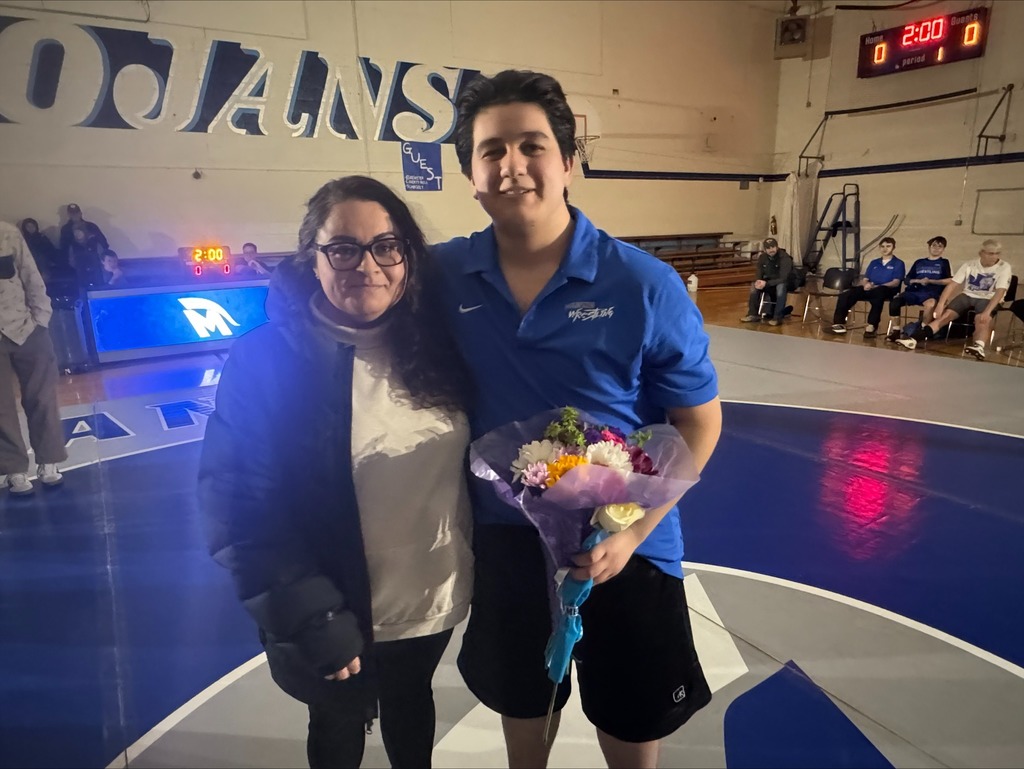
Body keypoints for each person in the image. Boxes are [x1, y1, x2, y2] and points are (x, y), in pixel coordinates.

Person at [434, 69, 722, 769]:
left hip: (629, 546)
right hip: (507, 544)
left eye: (532, 145)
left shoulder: (642, 283)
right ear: (470, 175)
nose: (512, 166)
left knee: (629, 721)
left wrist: (629, 534)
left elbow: (698, 425)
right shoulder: (441, 278)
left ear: (568, 160)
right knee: (525, 712)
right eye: (490, 150)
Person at [198, 176, 474, 769]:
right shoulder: (266, 360)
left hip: (429, 597)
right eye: (343, 248)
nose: (367, 264)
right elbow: (240, 508)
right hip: (334, 607)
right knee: (336, 723)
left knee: (410, 704)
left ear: (408, 256)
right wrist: (311, 615)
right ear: (313, 259)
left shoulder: (437, 345)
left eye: (386, 246)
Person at [0, 221, 67, 495]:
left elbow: (30, 275)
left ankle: (49, 462)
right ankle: (14, 470)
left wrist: (41, 319)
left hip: (27, 328)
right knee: (1, 408)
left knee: (42, 397)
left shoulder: (7, 233)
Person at [897, 239, 1012, 360]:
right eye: (990, 253)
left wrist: (987, 312)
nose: (994, 257)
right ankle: (914, 339)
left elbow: (1000, 291)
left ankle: (979, 346)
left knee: (982, 319)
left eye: (997, 253)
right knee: (945, 316)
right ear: (981, 253)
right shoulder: (969, 264)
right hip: (968, 295)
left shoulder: (1004, 267)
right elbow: (952, 284)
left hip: (989, 298)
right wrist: (941, 304)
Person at [827, 236, 905, 338]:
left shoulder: (898, 263)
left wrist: (877, 286)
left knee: (878, 294)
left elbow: (895, 282)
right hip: (871, 288)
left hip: (887, 289)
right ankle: (839, 323)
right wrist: (866, 284)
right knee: (846, 294)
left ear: (893, 247)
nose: (885, 249)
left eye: (888, 246)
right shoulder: (874, 262)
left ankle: (872, 325)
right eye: (882, 246)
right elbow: (865, 279)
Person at [885, 235, 952, 342]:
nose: (936, 248)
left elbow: (949, 280)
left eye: (940, 246)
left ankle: (921, 331)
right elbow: (907, 279)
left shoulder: (944, 263)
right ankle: (896, 330)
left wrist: (931, 281)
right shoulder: (919, 262)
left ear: (943, 249)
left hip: (931, 293)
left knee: (930, 304)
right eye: (934, 245)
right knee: (894, 302)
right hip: (914, 291)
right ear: (929, 247)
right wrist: (918, 281)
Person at [740, 236, 793, 326]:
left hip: (784, 282)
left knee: (781, 287)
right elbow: (759, 271)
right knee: (754, 287)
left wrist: (767, 283)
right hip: (768, 282)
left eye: (772, 247)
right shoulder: (762, 258)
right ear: (765, 250)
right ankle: (753, 314)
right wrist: (758, 281)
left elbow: (783, 277)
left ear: (777, 247)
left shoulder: (784, 258)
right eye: (768, 248)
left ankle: (777, 317)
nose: (771, 250)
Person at [19, 218, 67, 283]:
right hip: (29, 265)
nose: (31, 228)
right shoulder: (23, 240)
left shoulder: (42, 237)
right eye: (28, 226)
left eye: (32, 226)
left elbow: (51, 249)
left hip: (44, 263)